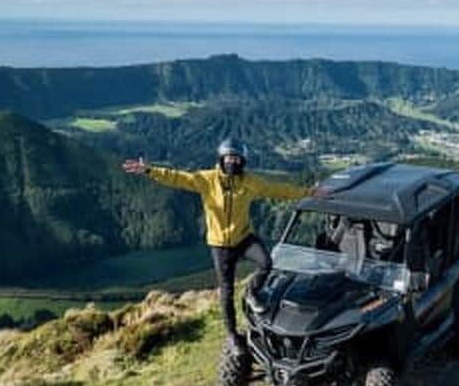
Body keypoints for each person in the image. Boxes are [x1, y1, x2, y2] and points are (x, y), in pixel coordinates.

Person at [123, 140, 319, 356]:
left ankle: (252, 293)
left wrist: (309, 192)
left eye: (236, 158)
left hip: (244, 238)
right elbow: (178, 178)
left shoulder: (250, 182)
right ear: (221, 159)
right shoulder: (207, 180)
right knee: (226, 292)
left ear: (242, 161)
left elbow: (278, 190)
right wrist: (150, 170)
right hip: (220, 246)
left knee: (266, 262)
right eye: (229, 157)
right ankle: (233, 336)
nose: (232, 162)